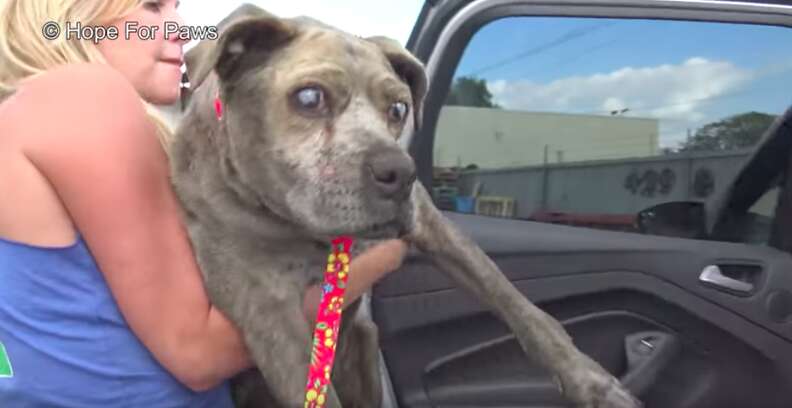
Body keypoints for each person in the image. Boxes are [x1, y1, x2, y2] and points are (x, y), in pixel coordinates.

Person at [0, 0, 408, 406]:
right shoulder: (83, 96)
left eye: (177, 8)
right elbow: (198, 353)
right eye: (152, 7)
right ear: (71, 16)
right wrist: (391, 247)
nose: (180, 28)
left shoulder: (28, 111)